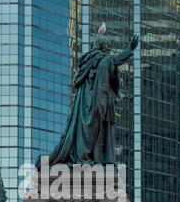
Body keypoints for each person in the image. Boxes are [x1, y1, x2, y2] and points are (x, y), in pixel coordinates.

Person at [36, 32, 139, 168]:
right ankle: (84, 157)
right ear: (102, 46)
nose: (109, 48)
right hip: (95, 103)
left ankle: (87, 158)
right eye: (108, 45)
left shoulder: (88, 61)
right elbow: (116, 60)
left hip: (84, 105)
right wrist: (130, 49)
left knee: (87, 133)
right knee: (92, 133)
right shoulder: (103, 59)